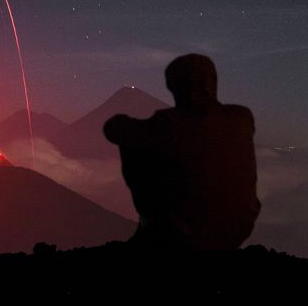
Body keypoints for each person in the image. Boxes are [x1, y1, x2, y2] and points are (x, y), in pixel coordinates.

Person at [103, 54, 260, 250]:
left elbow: (114, 129)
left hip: (184, 235)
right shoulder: (242, 117)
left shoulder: (167, 124)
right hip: (238, 228)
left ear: (178, 86)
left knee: (136, 148)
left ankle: (150, 231)